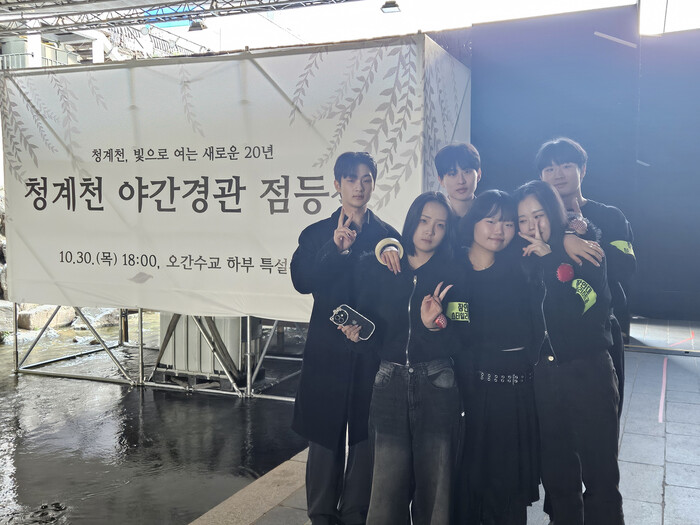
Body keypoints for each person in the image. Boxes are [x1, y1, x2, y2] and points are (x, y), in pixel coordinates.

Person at [340, 191, 464, 525]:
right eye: (424, 221)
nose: (430, 230)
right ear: (411, 222)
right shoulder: (382, 266)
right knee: (386, 491)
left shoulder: (454, 273)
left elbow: (463, 336)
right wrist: (357, 336)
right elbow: (371, 331)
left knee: (435, 491)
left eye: (440, 225)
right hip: (388, 382)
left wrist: (435, 326)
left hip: (437, 381)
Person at [290, 151, 400, 525]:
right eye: (351, 179)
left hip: (371, 350)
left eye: (367, 179)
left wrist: (371, 330)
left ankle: (356, 513)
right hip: (327, 351)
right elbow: (302, 280)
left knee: (367, 436)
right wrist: (334, 249)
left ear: (374, 184)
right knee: (325, 434)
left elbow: (397, 297)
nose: (359, 186)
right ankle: (321, 515)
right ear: (337, 185)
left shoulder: (388, 237)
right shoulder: (316, 234)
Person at [515, 180, 624, 525]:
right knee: (559, 481)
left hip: (589, 373)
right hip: (545, 380)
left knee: (601, 478)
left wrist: (554, 257)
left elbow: (585, 309)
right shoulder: (523, 260)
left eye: (539, 215)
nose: (532, 226)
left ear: (554, 212)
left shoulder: (585, 252)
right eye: (523, 220)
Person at [454, 190, 540, 524]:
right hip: (469, 389)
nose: (499, 230)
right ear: (473, 222)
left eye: (507, 223)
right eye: (490, 221)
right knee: (469, 480)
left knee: (508, 485)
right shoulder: (453, 267)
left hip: (515, 390)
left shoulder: (523, 264)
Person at [537, 137, 636, 413]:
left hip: (599, 333)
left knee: (603, 416)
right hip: (547, 335)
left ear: (583, 169)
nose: (557, 174)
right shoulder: (536, 221)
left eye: (566, 166)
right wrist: (562, 241)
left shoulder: (610, 216)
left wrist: (583, 235)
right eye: (549, 169)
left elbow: (625, 267)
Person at [434, 143, 482, 218]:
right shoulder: (435, 216)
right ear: (441, 180)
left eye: (467, 172)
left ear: (478, 174)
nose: (461, 181)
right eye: (452, 174)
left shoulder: (489, 215)